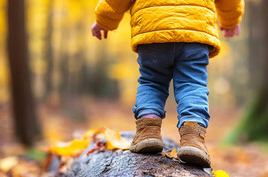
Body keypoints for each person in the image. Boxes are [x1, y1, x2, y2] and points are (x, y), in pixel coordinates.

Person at [91, 0, 244, 168]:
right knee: (193, 84)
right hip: (195, 29)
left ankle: (148, 131)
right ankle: (193, 137)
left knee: (152, 82)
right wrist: (230, 20)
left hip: (153, 28)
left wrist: (103, 20)